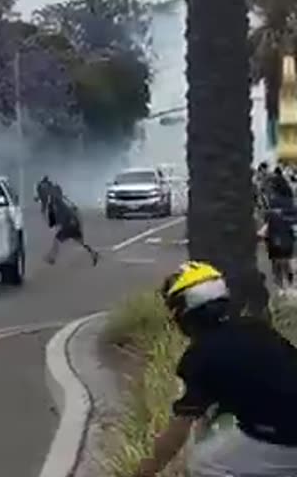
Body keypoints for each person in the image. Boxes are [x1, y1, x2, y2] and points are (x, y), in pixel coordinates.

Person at [129, 261, 297, 477]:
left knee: (206, 464)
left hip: (284, 438)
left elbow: (178, 430)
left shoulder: (199, 358)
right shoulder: (256, 328)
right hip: (277, 427)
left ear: (185, 312)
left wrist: (146, 470)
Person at [45, 191, 99, 266]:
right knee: (81, 243)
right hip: (73, 228)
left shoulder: (61, 208)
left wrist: (62, 225)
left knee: (56, 240)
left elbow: (64, 218)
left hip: (69, 228)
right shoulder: (62, 207)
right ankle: (93, 253)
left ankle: (52, 258)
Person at [259, 202, 295, 293]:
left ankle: (282, 288)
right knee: (285, 265)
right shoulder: (285, 220)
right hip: (285, 248)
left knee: (278, 266)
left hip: (276, 249)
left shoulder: (270, 220)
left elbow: (261, 234)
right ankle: (288, 286)